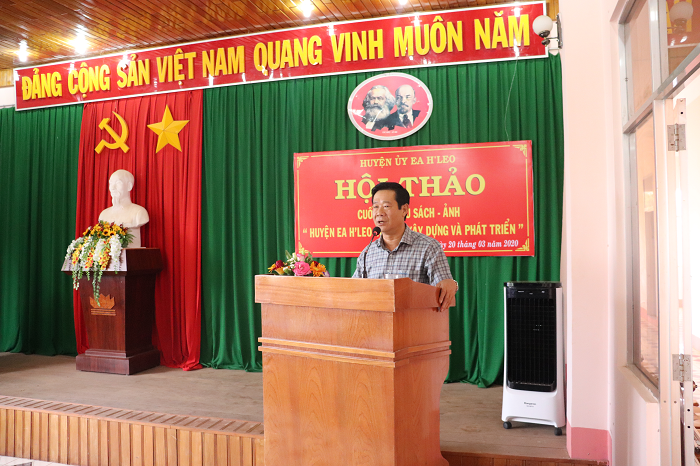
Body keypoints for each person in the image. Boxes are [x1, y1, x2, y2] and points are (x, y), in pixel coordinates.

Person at [353, 181, 458, 312]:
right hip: (375, 323)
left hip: (415, 322)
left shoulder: (428, 247)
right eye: (375, 206)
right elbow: (354, 293)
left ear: (404, 209)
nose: (379, 212)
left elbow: (443, 288)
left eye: (386, 206)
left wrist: (451, 284)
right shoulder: (368, 252)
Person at [99, 169, 149, 248]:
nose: (112, 188)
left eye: (118, 183)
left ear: (129, 186)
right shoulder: (103, 215)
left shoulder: (139, 212)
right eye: (110, 183)